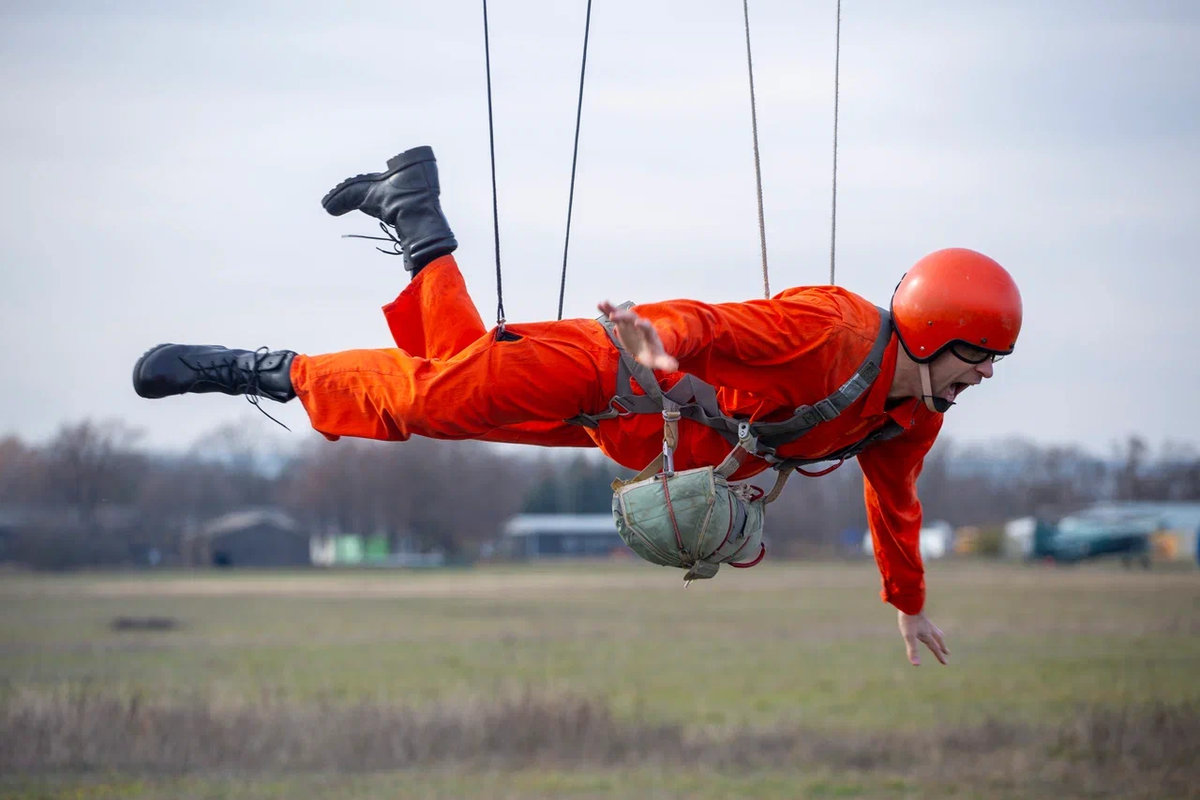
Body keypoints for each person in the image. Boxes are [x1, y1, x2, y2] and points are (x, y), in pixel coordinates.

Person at [133, 145, 1023, 667]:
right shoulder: (831, 330)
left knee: (449, 385)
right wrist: (653, 344)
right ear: (937, 331)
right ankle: (265, 365)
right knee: (441, 399)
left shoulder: (909, 419)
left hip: (626, 425)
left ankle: (403, 221)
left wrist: (905, 601)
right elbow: (713, 324)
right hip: (613, 368)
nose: (981, 377)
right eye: (978, 359)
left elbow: (895, 505)